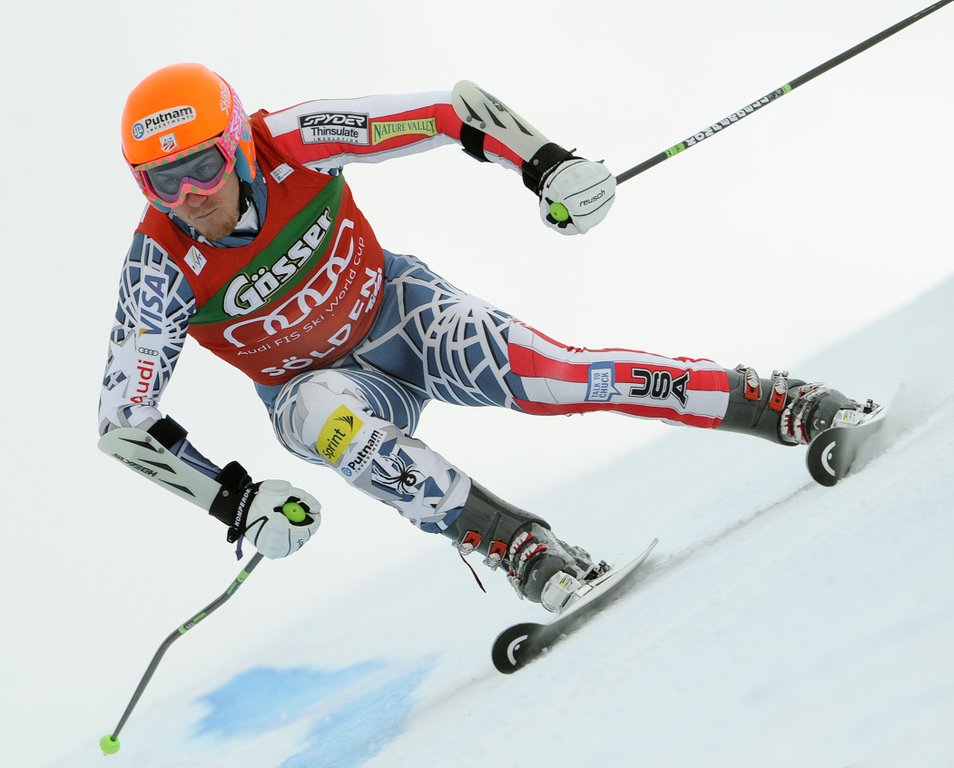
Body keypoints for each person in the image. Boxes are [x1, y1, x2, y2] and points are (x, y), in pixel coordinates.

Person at [100, 63, 869, 613]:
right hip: (314, 387)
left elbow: (450, 111)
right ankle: (519, 547)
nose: (189, 196)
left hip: (400, 313)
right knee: (331, 424)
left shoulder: (292, 139)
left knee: (554, 378)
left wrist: (548, 164)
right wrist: (236, 502)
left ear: (237, 141)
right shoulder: (159, 266)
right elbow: (123, 424)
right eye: (162, 182)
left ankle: (777, 403)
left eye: (202, 168)